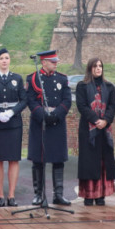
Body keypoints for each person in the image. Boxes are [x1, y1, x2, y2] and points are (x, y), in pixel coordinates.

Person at [26, 50, 72, 206]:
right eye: (52, 61)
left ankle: (58, 194)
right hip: (40, 123)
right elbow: (31, 101)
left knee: (58, 159)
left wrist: (57, 113)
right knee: (38, 160)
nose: (55, 63)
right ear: (43, 62)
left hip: (57, 123)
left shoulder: (62, 79)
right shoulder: (33, 78)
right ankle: (38, 194)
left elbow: (67, 100)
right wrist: (43, 115)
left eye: (56, 61)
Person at [0, 48, 27, 207]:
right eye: (1, 58)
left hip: (13, 122)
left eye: (7, 58)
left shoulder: (17, 78)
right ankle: (0, 195)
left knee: (14, 158)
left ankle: (11, 195)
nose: (4, 61)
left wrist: (12, 112)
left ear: (9, 60)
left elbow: (24, 100)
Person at [75, 58, 115, 206]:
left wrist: (105, 120)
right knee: (89, 162)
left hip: (104, 130)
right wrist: (95, 120)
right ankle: (88, 195)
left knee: (102, 162)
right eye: (95, 66)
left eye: (100, 66)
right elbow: (82, 106)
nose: (98, 68)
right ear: (90, 68)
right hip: (88, 130)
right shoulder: (82, 86)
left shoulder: (109, 86)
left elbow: (112, 106)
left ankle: (101, 195)